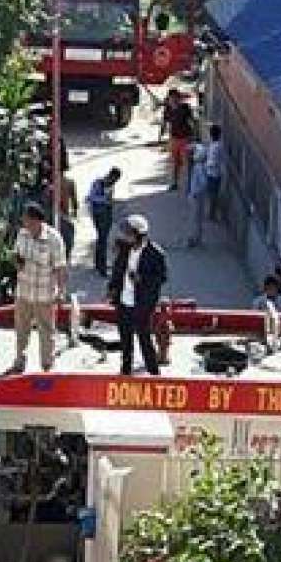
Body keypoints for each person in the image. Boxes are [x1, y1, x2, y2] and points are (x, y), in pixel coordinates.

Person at [10, 201, 67, 375]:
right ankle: (20, 360)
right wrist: (16, 261)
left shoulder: (54, 239)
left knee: (46, 331)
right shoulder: (22, 234)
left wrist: (61, 291)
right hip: (24, 292)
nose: (24, 222)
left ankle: (47, 365)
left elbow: (60, 267)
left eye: (26, 219)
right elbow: (16, 255)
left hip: (44, 294)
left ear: (36, 220)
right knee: (21, 329)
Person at [108, 215, 168, 376]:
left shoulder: (155, 253)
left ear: (138, 235)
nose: (125, 237)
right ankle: (126, 371)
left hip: (142, 303)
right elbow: (117, 270)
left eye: (129, 234)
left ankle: (153, 372)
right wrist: (112, 288)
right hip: (124, 301)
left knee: (144, 338)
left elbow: (161, 278)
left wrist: (142, 279)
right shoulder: (124, 249)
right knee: (125, 339)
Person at [86, 166, 122, 277]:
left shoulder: (110, 186)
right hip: (99, 214)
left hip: (107, 214)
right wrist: (104, 200)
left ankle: (99, 263)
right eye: (114, 179)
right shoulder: (98, 183)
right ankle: (101, 266)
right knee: (102, 239)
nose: (114, 182)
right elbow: (91, 197)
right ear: (110, 175)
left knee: (102, 239)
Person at [161, 89, 197, 191]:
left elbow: (192, 121)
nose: (173, 100)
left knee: (187, 162)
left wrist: (194, 136)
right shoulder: (168, 109)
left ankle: (190, 184)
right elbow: (165, 122)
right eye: (171, 98)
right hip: (174, 138)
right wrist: (162, 133)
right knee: (175, 162)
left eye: (175, 98)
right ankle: (174, 183)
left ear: (178, 98)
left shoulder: (185, 108)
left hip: (185, 138)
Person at [186, 140, 209, 249]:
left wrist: (196, 192)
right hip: (197, 195)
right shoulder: (200, 166)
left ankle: (194, 239)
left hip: (196, 196)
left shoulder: (198, 167)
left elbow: (203, 183)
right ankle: (197, 238)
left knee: (195, 219)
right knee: (197, 219)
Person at [204, 124, 224, 221]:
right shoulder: (216, 145)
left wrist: (206, 165)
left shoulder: (215, 147)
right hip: (214, 173)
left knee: (213, 194)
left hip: (213, 173)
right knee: (212, 193)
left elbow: (213, 161)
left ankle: (212, 213)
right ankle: (211, 212)